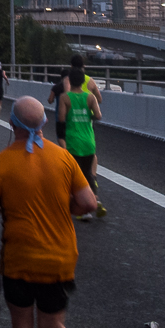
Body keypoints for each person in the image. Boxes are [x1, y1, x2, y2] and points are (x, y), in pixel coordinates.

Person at [0, 97, 97, 328]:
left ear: (11, 124)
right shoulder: (63, 157)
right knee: (53, 326)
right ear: (43, 122)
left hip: (19, 261)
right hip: (59, 260)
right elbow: (89, 203)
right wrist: (66, 208)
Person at [57, 69, 106, 220]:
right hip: (88, 141)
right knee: (87, 174)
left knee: (74, 176)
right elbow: (98, 115)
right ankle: (94, 200)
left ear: (70, 82)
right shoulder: (90, 97)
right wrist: (86, 114)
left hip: (73, 141)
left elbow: (61, 119)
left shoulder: (65, 97)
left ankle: (83, 210)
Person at [47, 67, 71, 149]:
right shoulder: (72, 88)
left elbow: (50, 100)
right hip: (71, 116)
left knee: (60, 137)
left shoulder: (56, 87)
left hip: (59, 116)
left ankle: (65, 151)